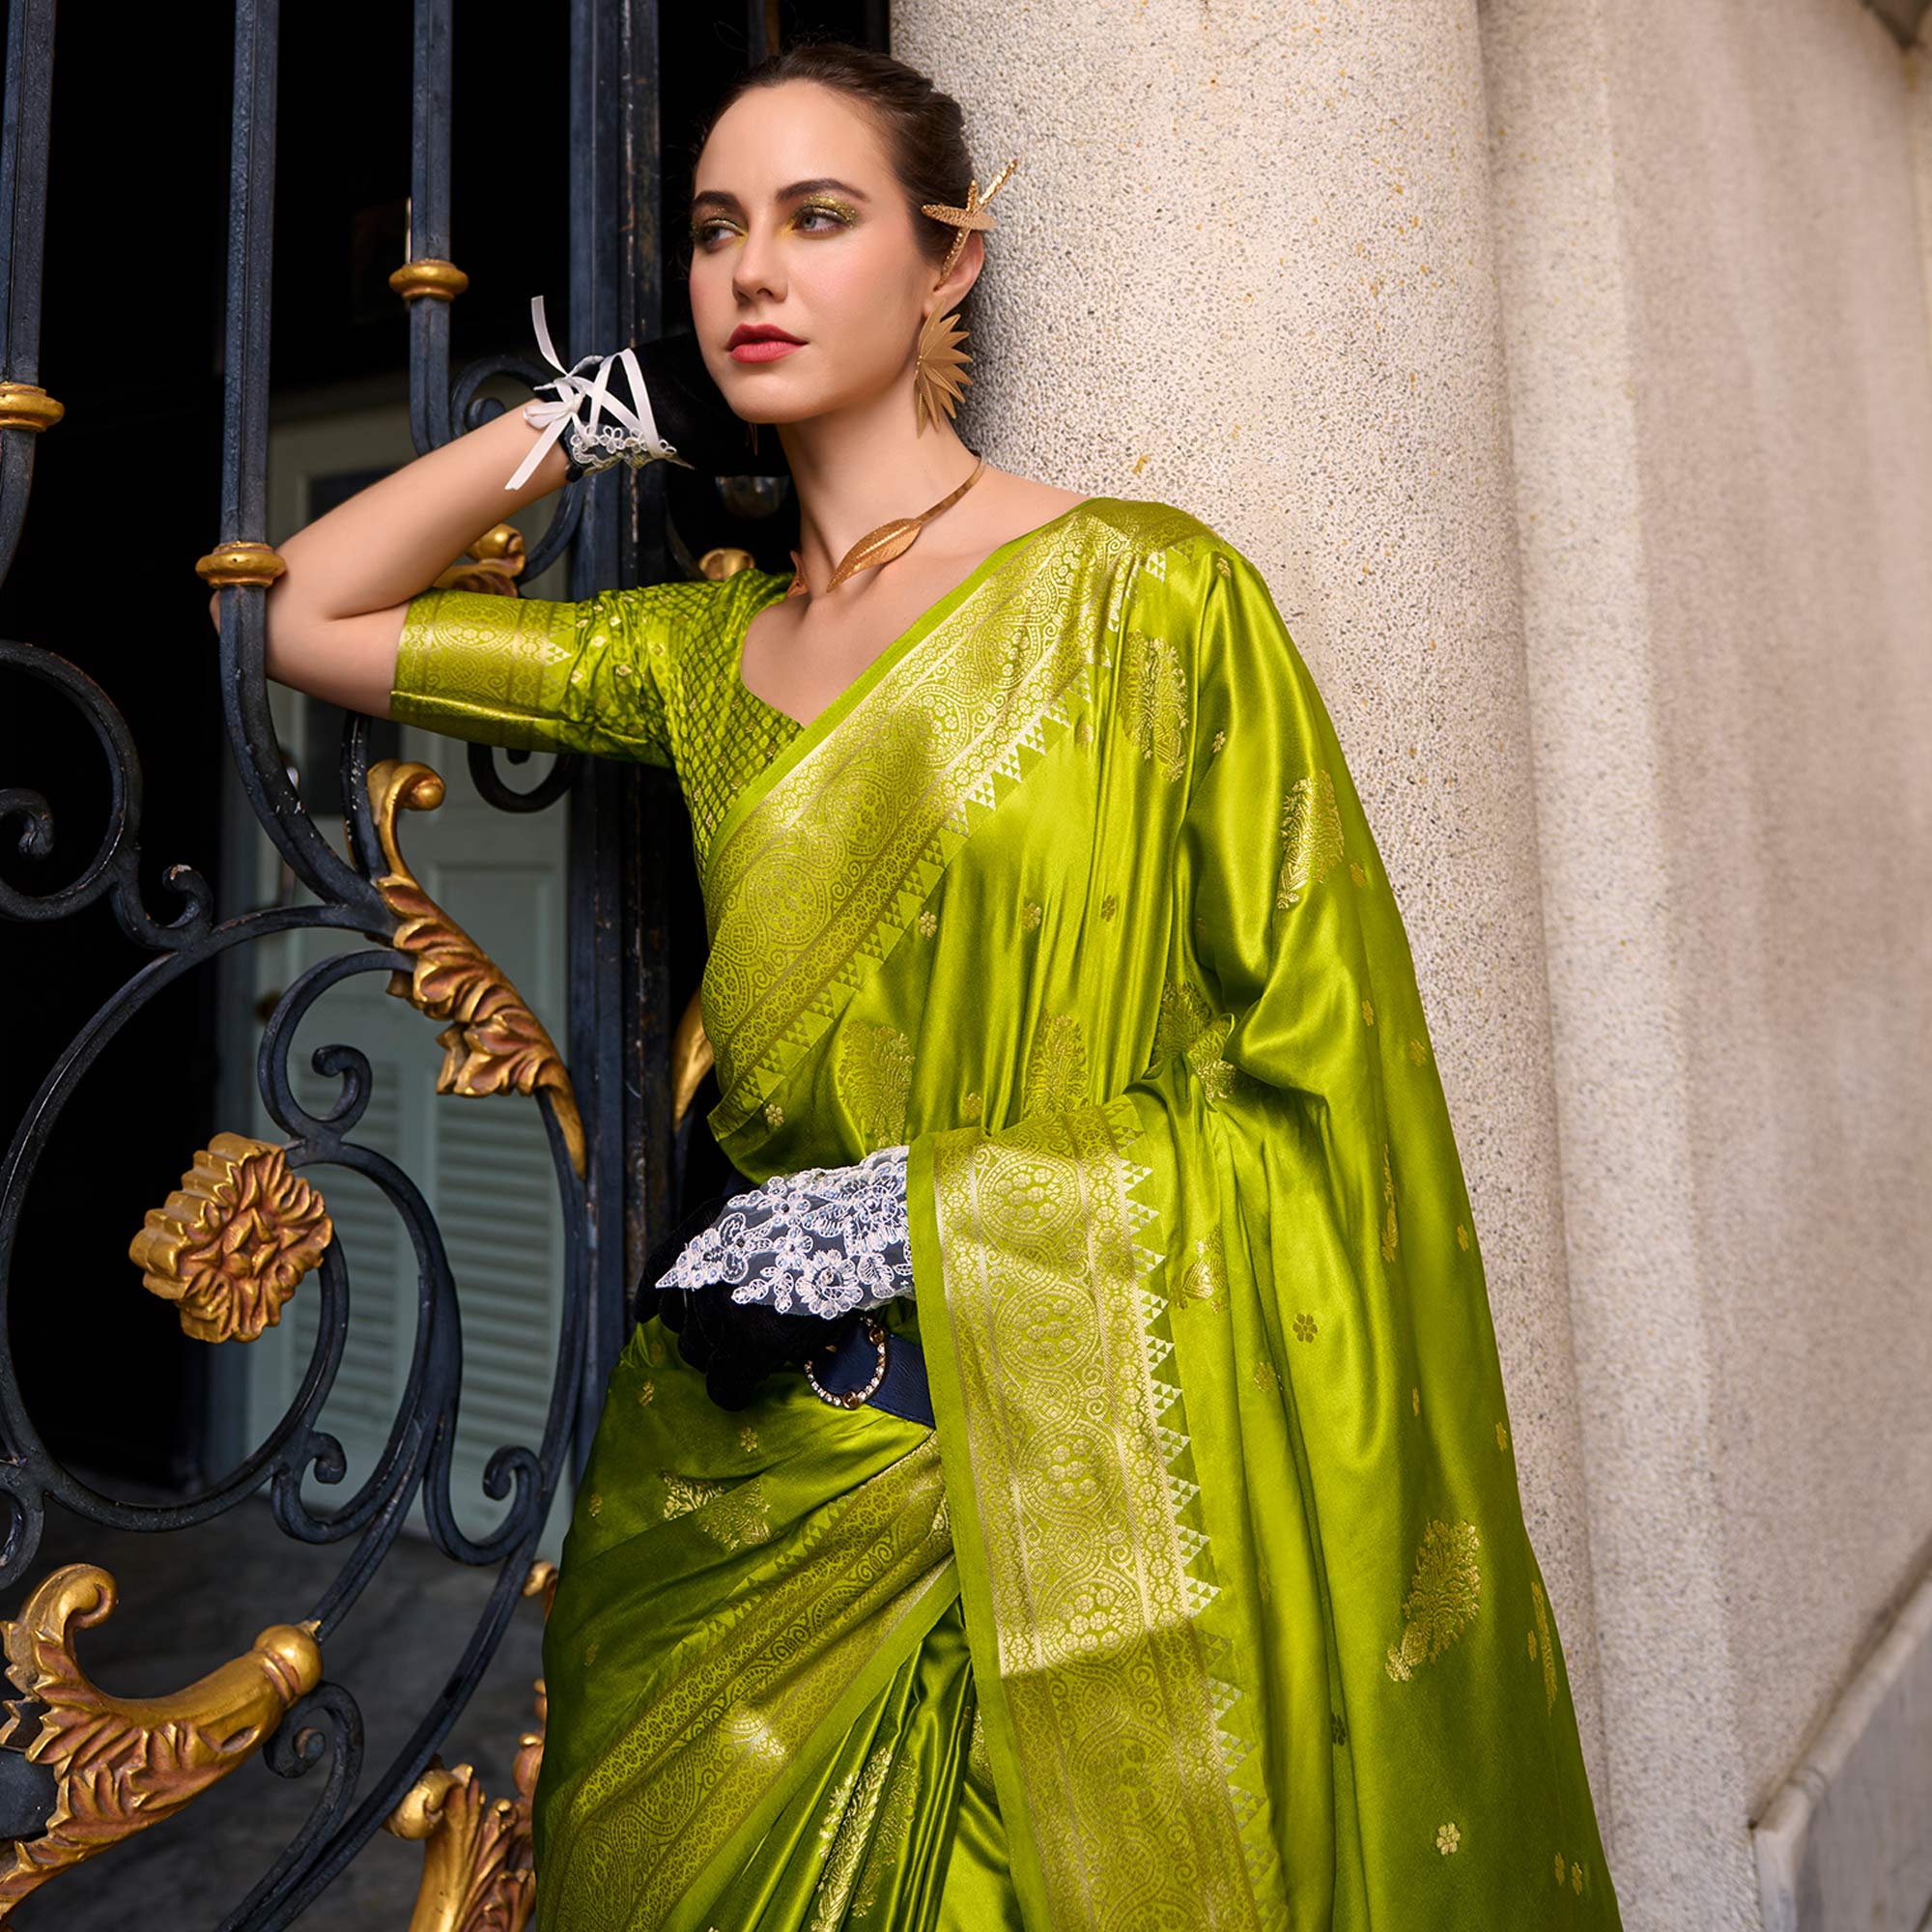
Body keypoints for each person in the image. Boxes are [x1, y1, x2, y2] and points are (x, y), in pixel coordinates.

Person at [247, 40, 1622, 1931]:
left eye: (819, 219)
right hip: (726, 1489)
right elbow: (308, 612)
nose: (753, 271)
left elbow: (1313, 1087)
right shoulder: (698, 655)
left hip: (1032, 1484)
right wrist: (592, 403)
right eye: (718, 229)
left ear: (947, 258)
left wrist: (929, 1212)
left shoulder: (1145, 600)